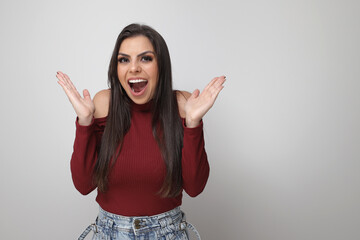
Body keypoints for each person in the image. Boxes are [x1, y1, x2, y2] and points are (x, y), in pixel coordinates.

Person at [56, 23, 225, 240]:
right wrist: (85, 122)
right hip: (111, 233)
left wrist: (192, 123)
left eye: (145, 58)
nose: (133, 68)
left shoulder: (182, 104)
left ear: (161, 65)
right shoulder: (104, 104)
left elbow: (194, 187)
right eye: (124, 59)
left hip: (169, 233)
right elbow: (83, 184)